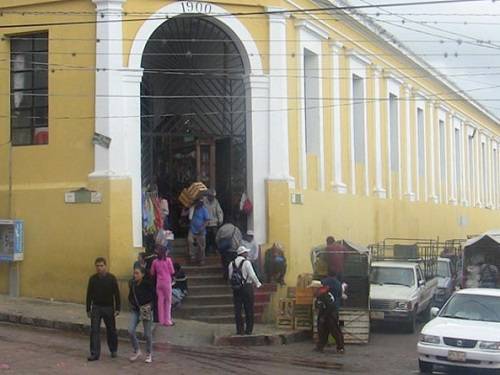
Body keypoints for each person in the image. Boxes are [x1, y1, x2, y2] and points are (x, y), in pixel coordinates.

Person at [86, 257, 121, 361]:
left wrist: (118, 308)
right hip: (96, 307)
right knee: (94, 331)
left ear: (105, 266)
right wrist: (88, 309)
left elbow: (117, 294)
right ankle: (94, 353)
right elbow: (89, 294)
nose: (99, 268)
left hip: (108, 308)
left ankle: (113, 349)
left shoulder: (111, 278)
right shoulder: (92, 279)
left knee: (111, 330)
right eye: (97, 266)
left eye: (101, 266)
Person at [228, 246, 262, 335]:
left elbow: (230, 276)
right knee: (249, 309)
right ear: (243, 253)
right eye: (246, 252)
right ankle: (249, 330)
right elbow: (252, 275)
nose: (247, 254)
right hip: (247, 287)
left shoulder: (231, 264)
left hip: (236, 289)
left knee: (238, 310)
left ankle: (239, 330)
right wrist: (258, 284)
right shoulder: (247, 263)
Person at [309, 279, 344, 354]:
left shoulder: (324, 295)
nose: (312, 290)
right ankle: (320, 346)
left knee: (335, 331)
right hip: (326, 314)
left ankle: (340, 347)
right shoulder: (319, 295)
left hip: (331, 315)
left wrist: (324, 317)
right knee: (322, 331)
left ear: (316, 288)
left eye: (312, 288)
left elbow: (330, 306)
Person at [128, 267, 154, 363]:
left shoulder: (147, 284)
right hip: (136, 310)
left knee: (147, 334)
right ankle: (137, 350)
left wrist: (149, 306)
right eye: (134, 273)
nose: (135, 275)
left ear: (142, 274)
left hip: (146, 310)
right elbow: (130, 296)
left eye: (137, 273)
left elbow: (154, 297)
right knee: (130, 330)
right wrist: (132, 303)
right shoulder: (133, 285)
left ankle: (149, 353)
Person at [151, 246, 175, 326]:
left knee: (160, 301)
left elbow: (152, 273)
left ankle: (161, 320)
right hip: (167, 282)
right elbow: (172, 271)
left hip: (159, 282)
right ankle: (167, 320)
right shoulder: (168, 260)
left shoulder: (155, 261)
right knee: (168, 301)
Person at [188, 198, 210, 265]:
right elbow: (184, 214)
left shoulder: (204, 209)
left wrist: (202, 227)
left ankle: (201, 259)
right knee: (190, 241)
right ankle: (192, 256)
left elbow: (207, 220)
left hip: (201, 230)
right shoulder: (192, 209)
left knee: (201, 246)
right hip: (192, 229)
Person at [204, 189, 223, 255]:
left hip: (214, 223)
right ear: (208, 196)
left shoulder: (216, 202)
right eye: (211, 196)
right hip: (206, 223)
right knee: (206, 238)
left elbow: (219, 211)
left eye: (213, 196)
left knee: (215, 237)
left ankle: (215, 250)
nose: (212, 197)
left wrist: (220, 220)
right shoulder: (204, 201)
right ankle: (206, 251)